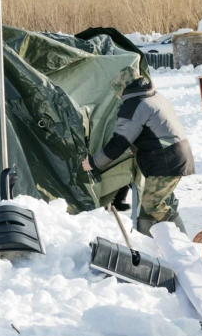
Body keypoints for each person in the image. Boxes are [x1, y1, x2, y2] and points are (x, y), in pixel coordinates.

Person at [82, 76, 194, 236]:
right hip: (176, 152)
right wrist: (137, 147)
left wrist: (93, 162)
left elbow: (119, 142)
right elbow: (152, 127)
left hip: (165, 159)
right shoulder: (154, 96)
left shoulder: (134, 105)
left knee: (152, 204)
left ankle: (182, 242)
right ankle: (149, 244)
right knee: (148, 206)